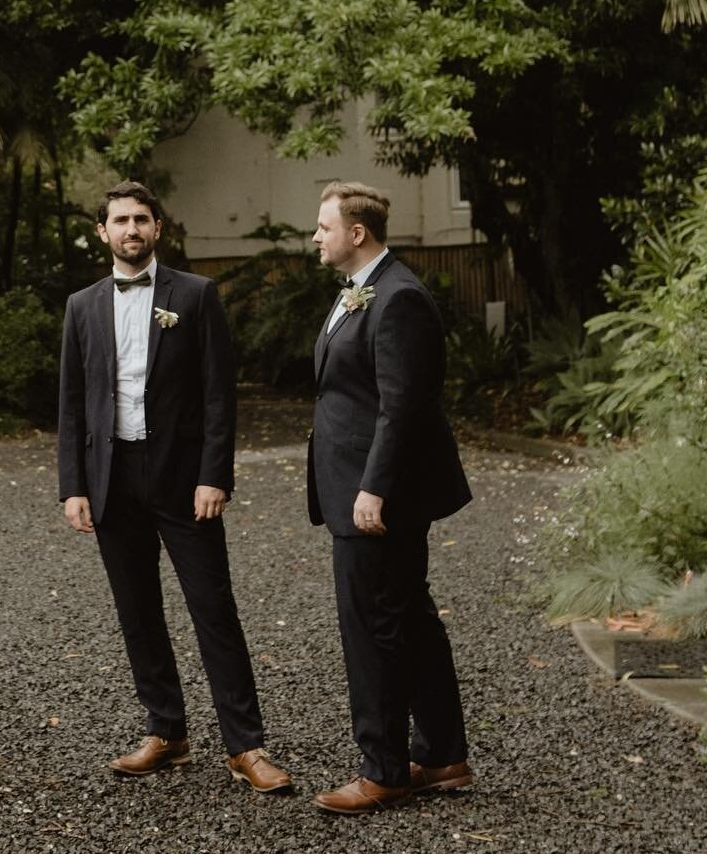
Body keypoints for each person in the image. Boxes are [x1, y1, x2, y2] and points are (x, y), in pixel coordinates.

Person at [58, 181, 292, 794]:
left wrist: (215, 473)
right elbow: (73, 406)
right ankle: (167, 731)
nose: (131, 229)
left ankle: (246, 745)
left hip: (185, 482)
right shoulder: (81, 306)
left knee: (213, 610)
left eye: (141, 219)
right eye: (119, 221)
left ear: (157, 228)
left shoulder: (195, 294)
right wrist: (72, 485)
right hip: (112, 479)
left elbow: (219, 394)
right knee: (137, 611)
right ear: (102, 232)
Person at [307, 181, 473, 816]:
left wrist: (372, 487)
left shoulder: (398, 297)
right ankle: (442, 756)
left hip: (373, 495)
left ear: (357, 234)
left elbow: (404, 406)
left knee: (373, 629)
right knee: (409, 621)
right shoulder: (362, 291)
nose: (315, 237)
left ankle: (383, 770)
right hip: (359, 485)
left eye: (324, 227)